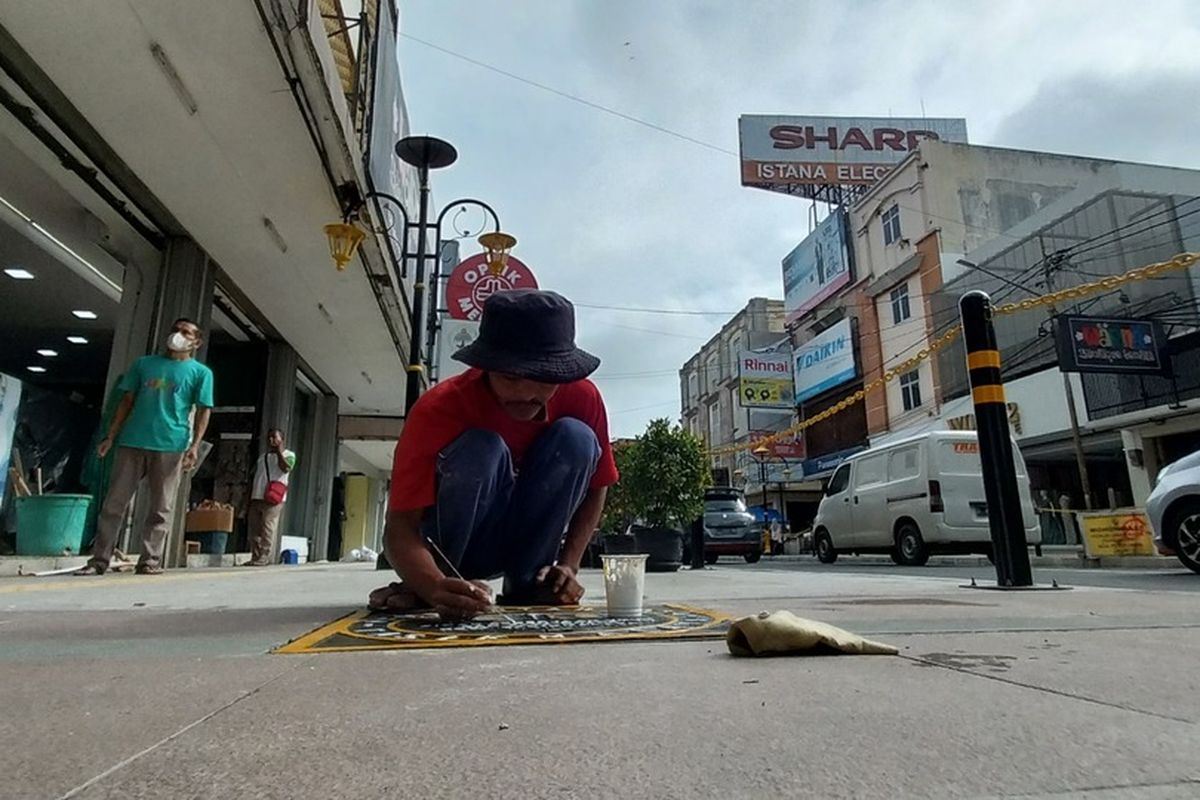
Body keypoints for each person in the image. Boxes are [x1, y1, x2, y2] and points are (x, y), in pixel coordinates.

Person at [369, 289, 618, 620]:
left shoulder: (583, 397)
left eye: (544, 380)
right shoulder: (439, 409)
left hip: (529, 543)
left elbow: (597, 484)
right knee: (481, 448)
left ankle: (530, 581)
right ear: (487, 367)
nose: (527, 394)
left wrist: (568, 565)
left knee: (578, 439)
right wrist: (430, 583)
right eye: (511, 377)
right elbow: (400, 526)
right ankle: (452, 581)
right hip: (457, 546)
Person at [77, 318, 214, 575]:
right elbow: (126, 401)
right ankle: (98, 561)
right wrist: (111, 436)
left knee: (161, 507)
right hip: (132, 441)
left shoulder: (200, 373)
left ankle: (149, 560)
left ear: (196, 342)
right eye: (175, 330)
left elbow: (205, 411)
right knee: (113, 504)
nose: (178, 335)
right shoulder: (144, 364)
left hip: (171, 445)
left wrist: (194, 446)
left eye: (186, 332)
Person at [243, 428, 296, 566]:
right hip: (258, 496)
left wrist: (279, 451)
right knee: (254, 528)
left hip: (274, 497)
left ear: (282, 439)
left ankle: (264, 556)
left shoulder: (289, 455)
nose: (271, 440)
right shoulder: (263, 457)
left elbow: (286, 468)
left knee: (267, 525)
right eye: (269, 438)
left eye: (275, 437)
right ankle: (255, 556)